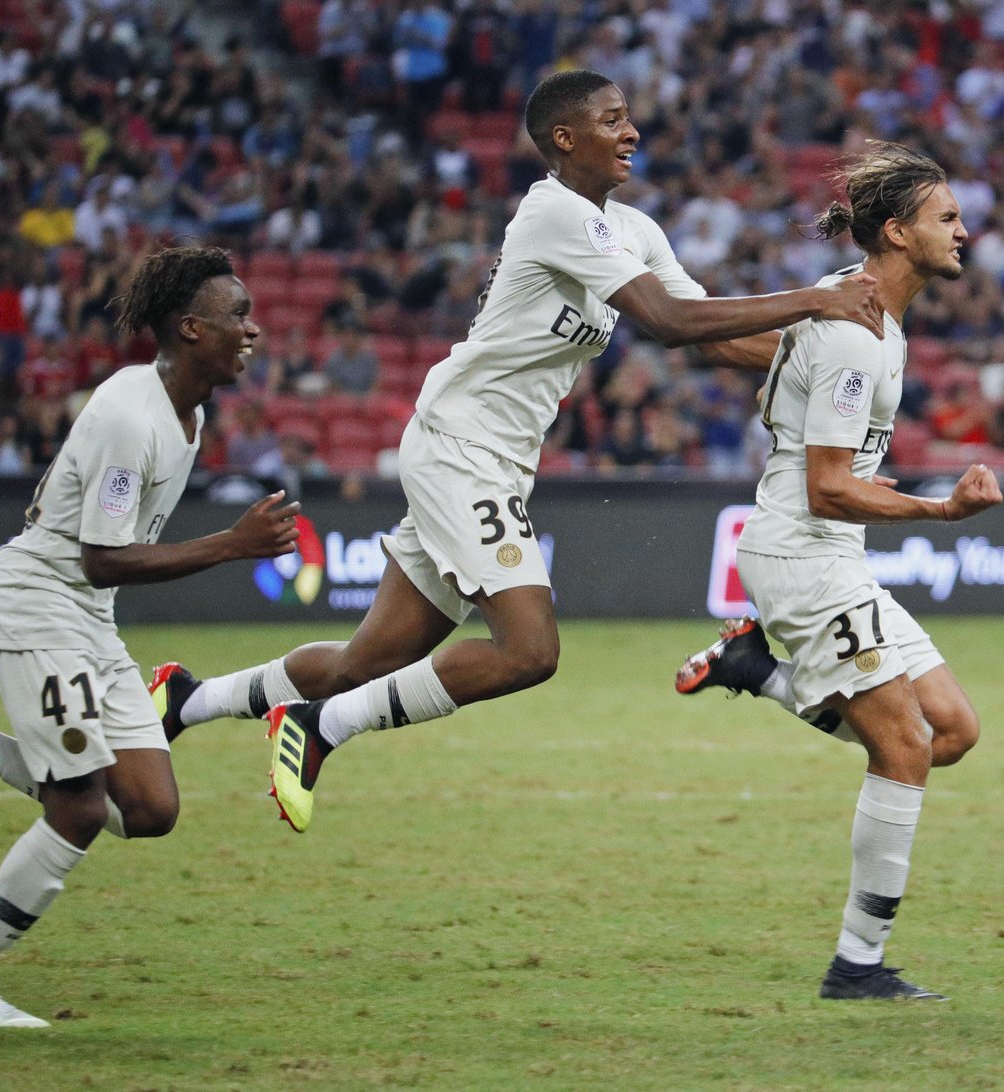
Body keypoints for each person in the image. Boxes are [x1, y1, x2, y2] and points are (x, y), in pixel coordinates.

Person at [149, 69, 883, 836]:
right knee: (528, 649)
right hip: (461, 446)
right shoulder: (553, 215)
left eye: (629, 118)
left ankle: (184, 700)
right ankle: (318, 729)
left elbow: (712, 332)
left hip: (489, 458)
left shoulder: (630, 230)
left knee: (362, 665)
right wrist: (817, 300)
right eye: (612, 120)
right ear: (565, 139)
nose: (632, 132)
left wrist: (829, 368)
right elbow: (668, 322)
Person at [674, 143, 1003, 1001]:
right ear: (896, 232)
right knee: (903, 749)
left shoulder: (854, 306)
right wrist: (942, 513)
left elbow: (747, 359)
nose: (965, 231)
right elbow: (826, 490)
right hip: (805, 556)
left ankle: (757, 669)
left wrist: (786, 374)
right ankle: (858, 967)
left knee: (951, 733)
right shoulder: (856, 334)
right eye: (946, 219)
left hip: (828, 556)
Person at [0, 245, 301, 1028]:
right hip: (41, 606)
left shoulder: (189, 413)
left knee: (147, 809)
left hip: (87, 621)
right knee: (77, 809)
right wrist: (231, 544)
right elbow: (101, 557)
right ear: (190, 328)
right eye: (237, 316)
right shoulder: (128, 415)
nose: (253, 329)